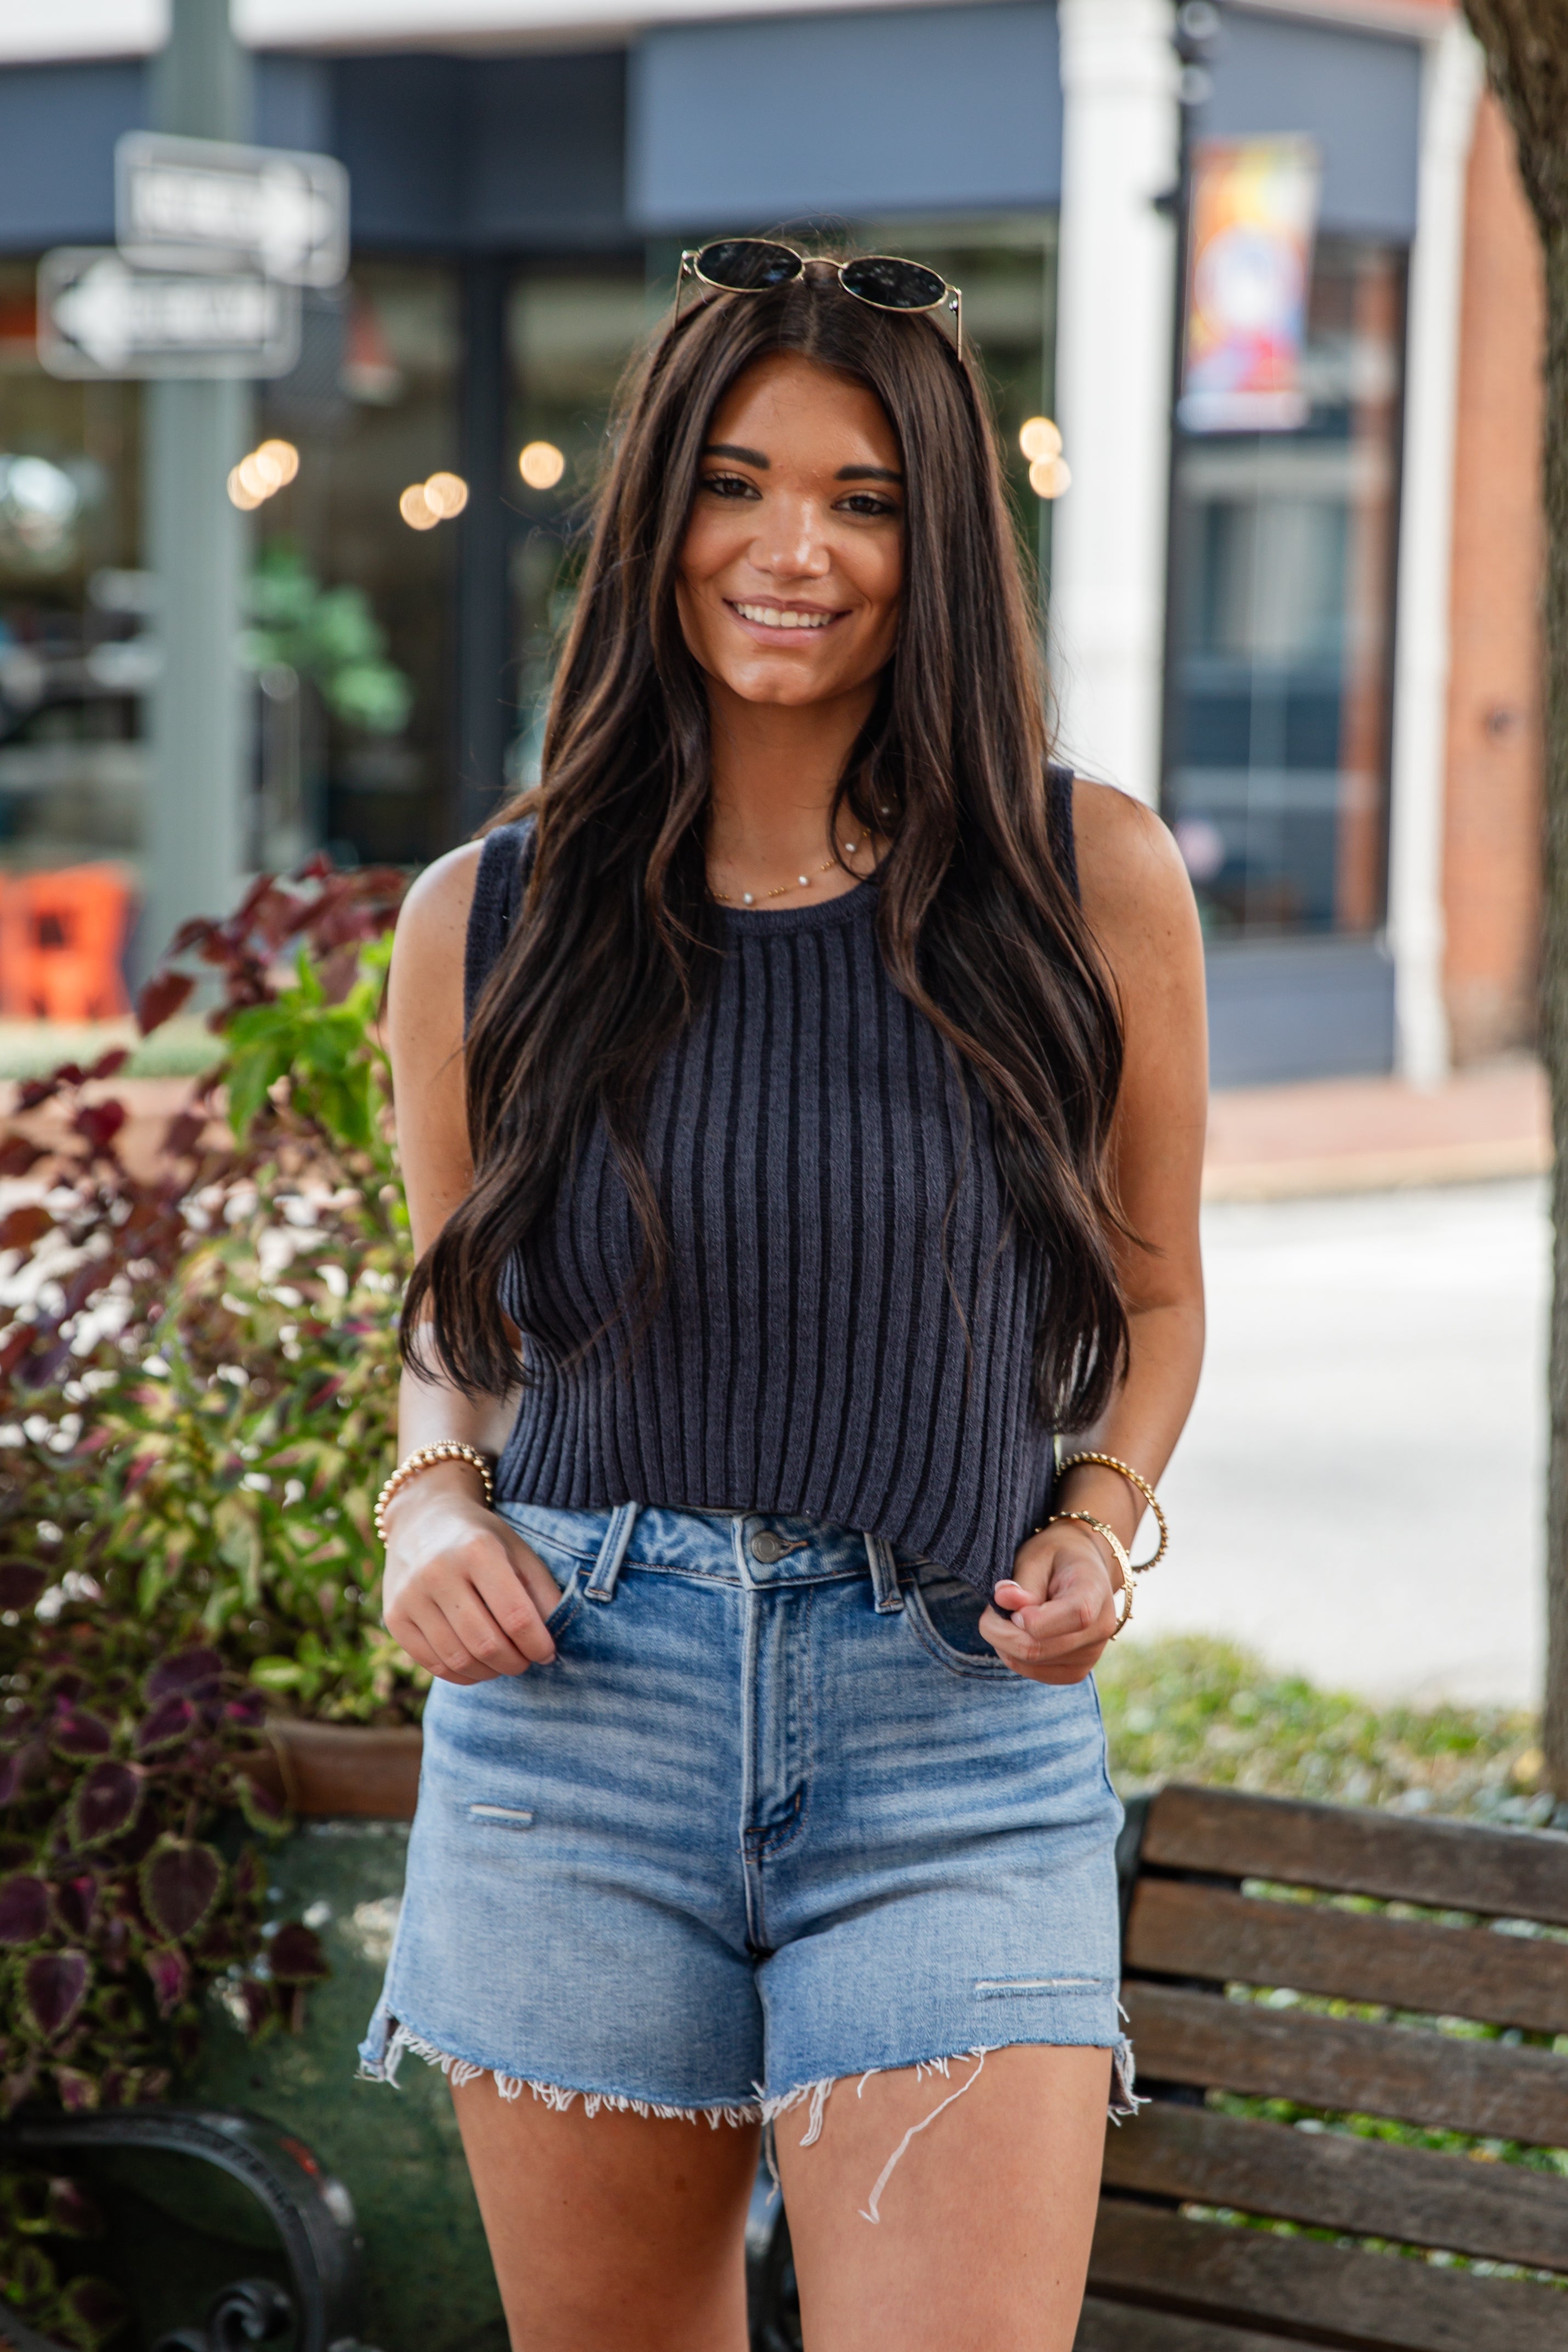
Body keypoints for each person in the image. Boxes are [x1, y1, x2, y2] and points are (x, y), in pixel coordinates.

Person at [359, 242, 1206, 2352]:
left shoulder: (1081, 874)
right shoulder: (487, 916)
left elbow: (1157, 1295)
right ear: (658, 514)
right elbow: (457, 1325)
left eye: (864, 498)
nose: (792, 552)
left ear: (944, 541)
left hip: (949, 1724)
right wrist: (428, 1512)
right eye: (736, 485)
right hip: (575, 1722)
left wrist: (1096, 1529)